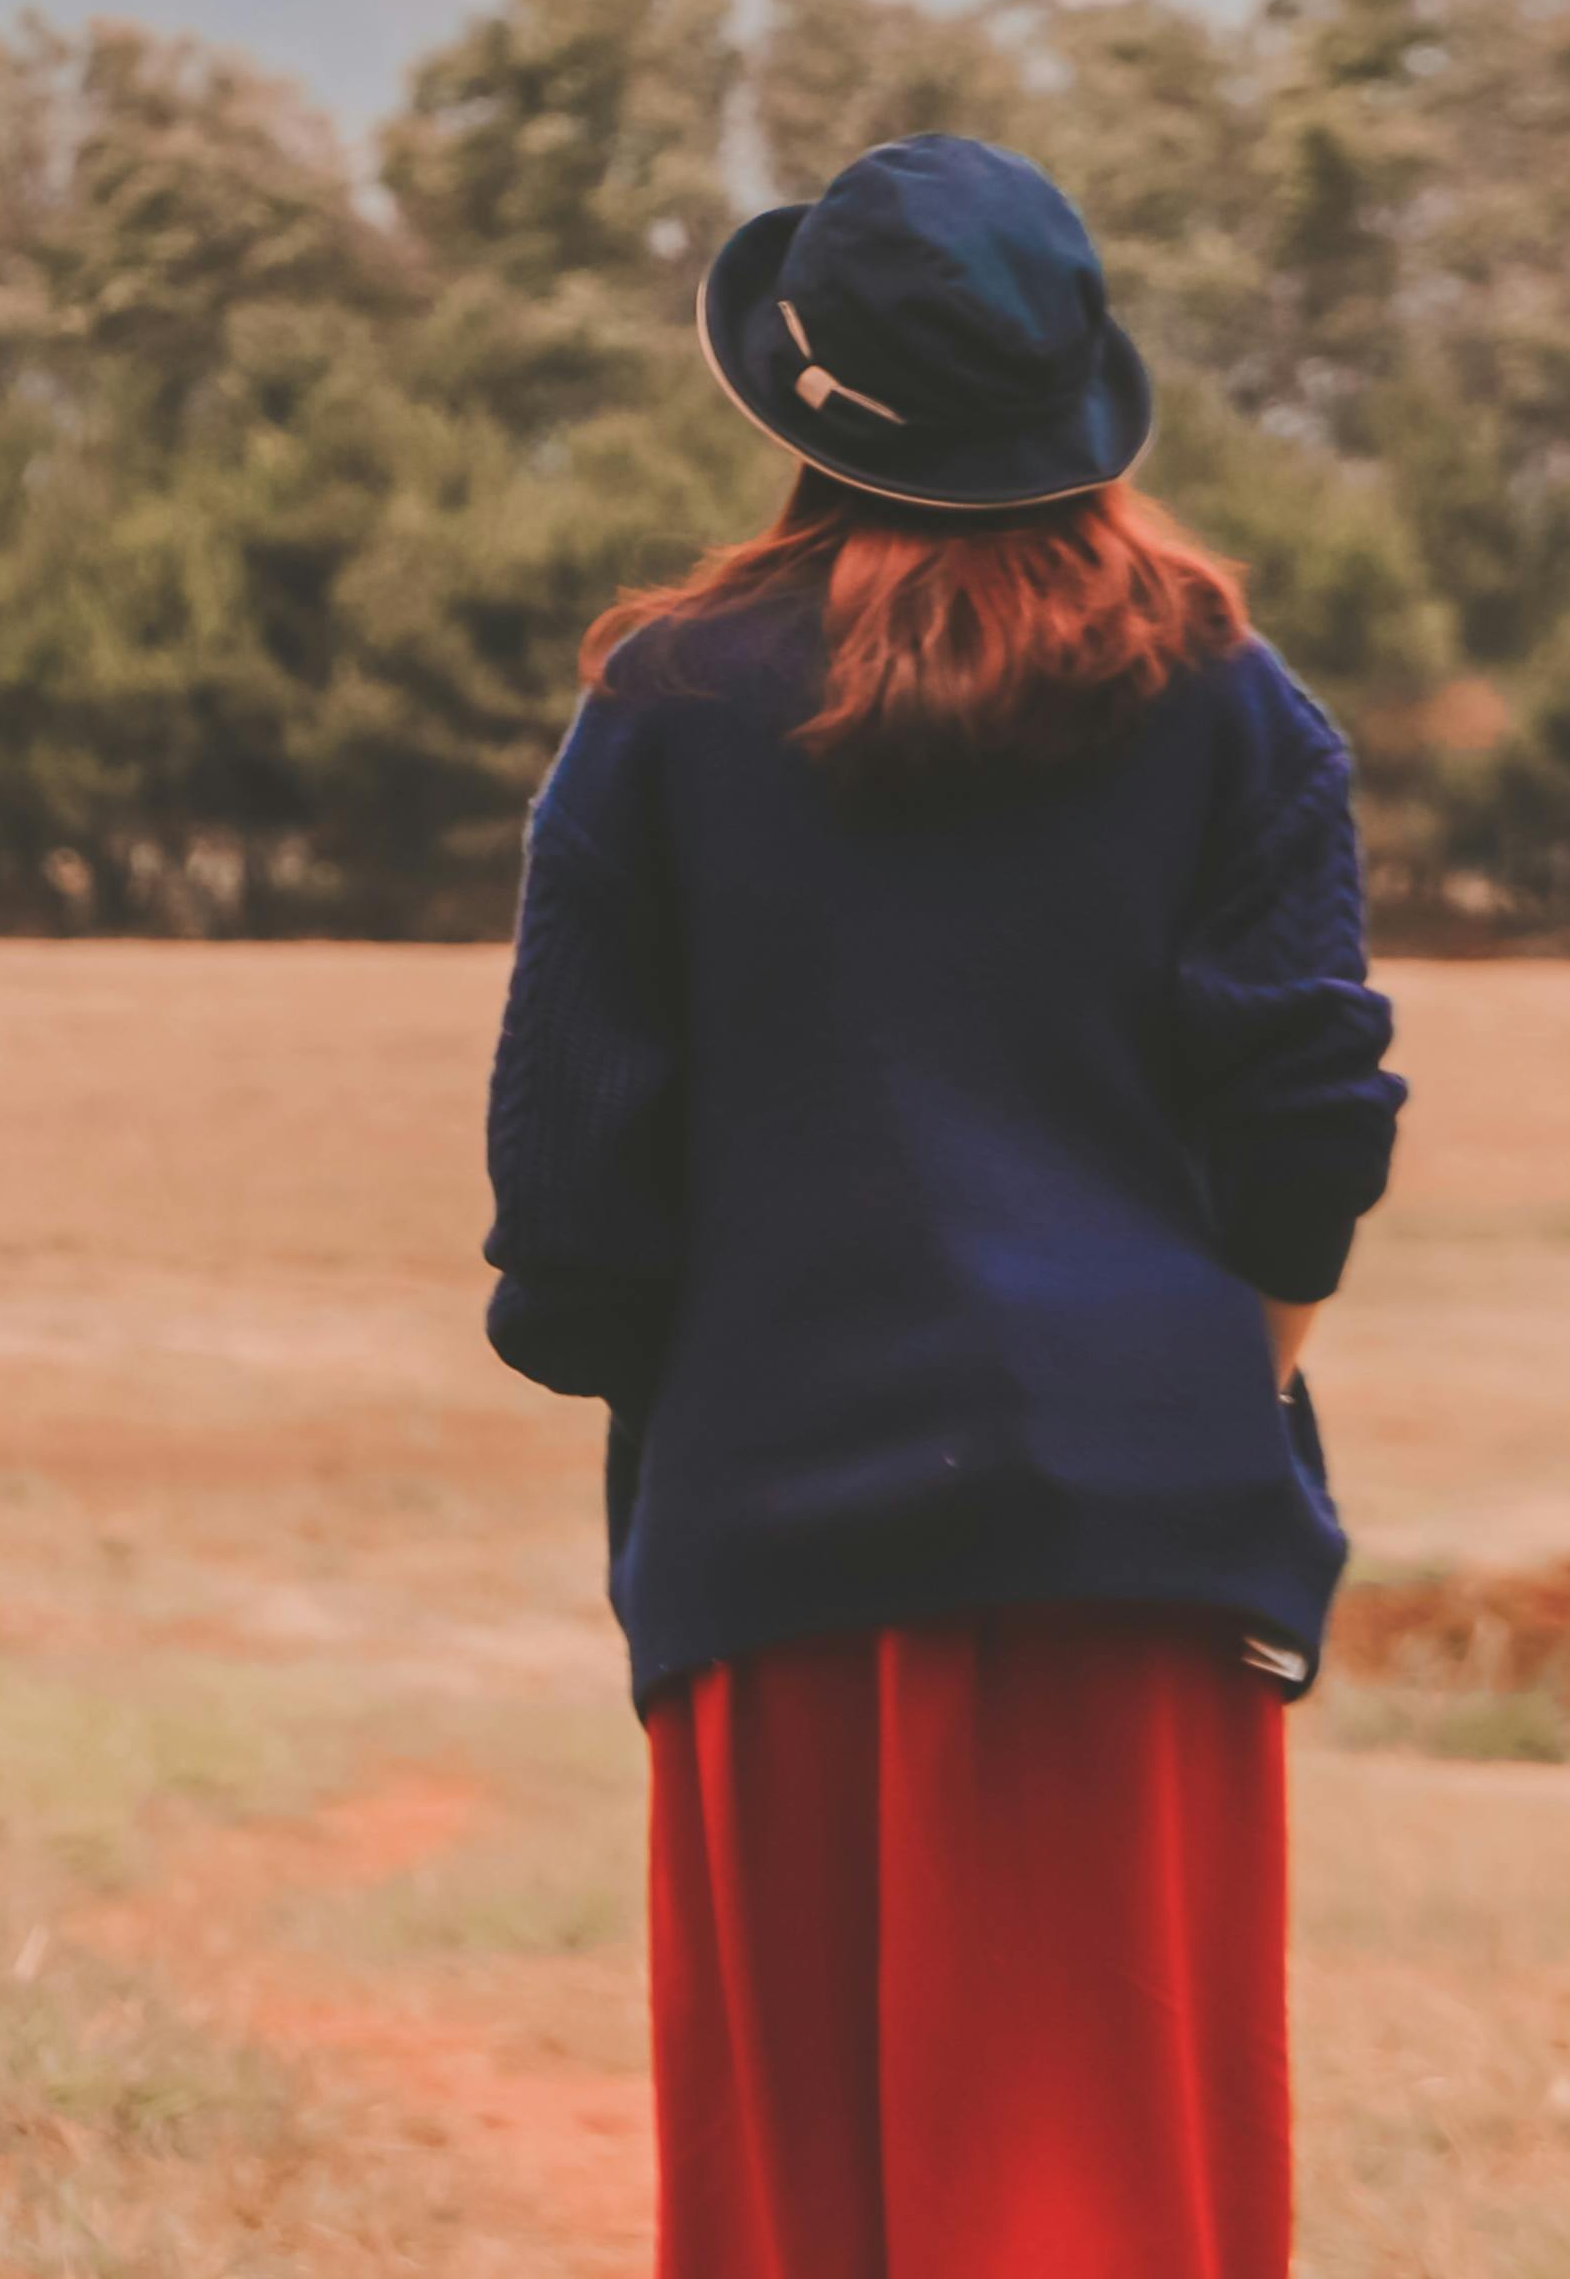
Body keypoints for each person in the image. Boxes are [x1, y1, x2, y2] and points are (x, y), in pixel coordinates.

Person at [481, 132, 1402, 2279]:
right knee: (1125, 2200)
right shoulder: (1236, 701)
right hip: (1151, 1553)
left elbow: (574, 1212)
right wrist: (1203, 1384)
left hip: (781, 1543)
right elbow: (1306, 1136)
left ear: (800, 399)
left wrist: (712, 1373)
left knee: (807, 2211)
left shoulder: (666, 710)